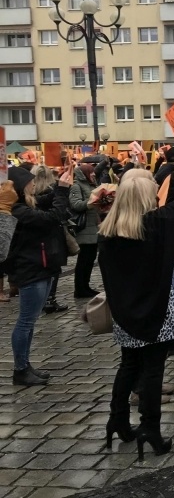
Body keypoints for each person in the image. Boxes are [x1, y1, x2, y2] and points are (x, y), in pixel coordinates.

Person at [98, 163, 174, 461]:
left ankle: (117, 419)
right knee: (154, 370)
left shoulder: (108, 231)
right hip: (158, 311)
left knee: (128, 365)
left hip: (124, 312)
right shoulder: (158, 223)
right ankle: (149, 428)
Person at [6, 166, 72, 386]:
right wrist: (62, 191)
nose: (34, 184)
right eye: (30, 182)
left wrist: (62, 185)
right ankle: (20, 369)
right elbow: (53, 216)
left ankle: (25, 365)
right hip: (30, 270)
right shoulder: (18, 210)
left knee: (30, 321)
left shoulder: (26, 204)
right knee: (25, 321)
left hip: (40, 267)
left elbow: (46, 200)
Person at [32, 165, 68, 313]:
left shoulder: (29, 194)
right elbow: (59, 211)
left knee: (44, 268)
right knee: (52, 267)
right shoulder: (51, 194)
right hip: (50, 235)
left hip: (37, 237)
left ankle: (45, 299)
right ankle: (49, 299)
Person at [69, 163, 101, 299]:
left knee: (90, 259)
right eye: (92, 172)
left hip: (93, 227)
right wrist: (91, 202)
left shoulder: (91, 185)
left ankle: (86, 286)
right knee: (84, 260)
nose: (94, 174)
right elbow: (75, 204)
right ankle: (80, 289)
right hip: (84, 229)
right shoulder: (77, 186)